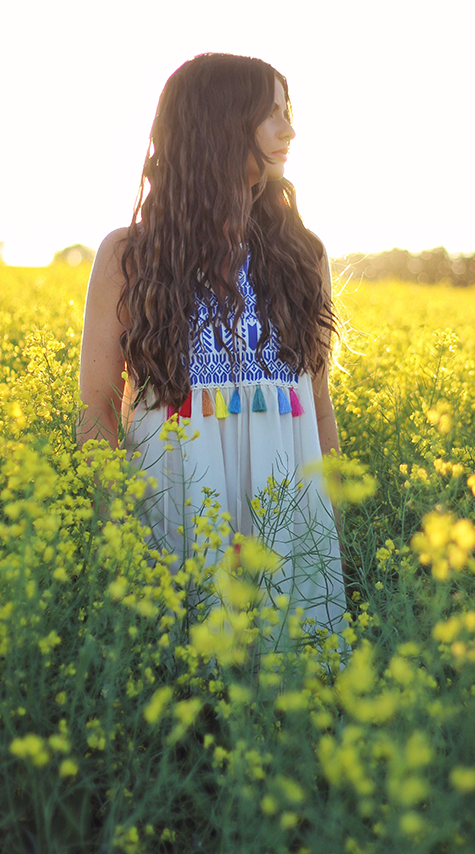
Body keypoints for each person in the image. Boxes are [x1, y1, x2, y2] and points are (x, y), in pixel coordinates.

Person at [78, 52, 345, 634]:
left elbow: (319, 402)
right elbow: (98, 405)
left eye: (289, 112)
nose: (289, 130)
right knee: (180, 681)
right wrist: (114, 525)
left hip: (286, 498)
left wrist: (331, 526)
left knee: (289, 691)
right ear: (218, 122)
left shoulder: (306, 255)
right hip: (174, 496)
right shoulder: (129, 255)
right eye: (271, 114)